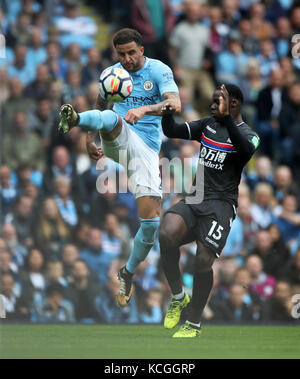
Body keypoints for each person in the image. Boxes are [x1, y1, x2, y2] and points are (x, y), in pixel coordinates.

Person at [58, 28, 181, 307]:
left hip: (147, 151)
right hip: (117, 139)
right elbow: (102, 106)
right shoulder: (112, 74)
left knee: (150, 226)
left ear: (141, 51)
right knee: (113, 120)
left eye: (130, 53)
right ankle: (74, 118)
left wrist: (145, 110)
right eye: (121, 54)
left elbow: (176, 103)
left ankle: (127, 272)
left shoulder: (158, 71)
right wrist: (89, 138)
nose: (125, 59)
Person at [158, 84, 260, 337]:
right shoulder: (207, 125)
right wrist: (168, 111)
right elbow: (170, 130)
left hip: (221, 205)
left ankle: (193, 323)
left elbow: (245, 151)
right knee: (166, 232)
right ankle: (178, 296)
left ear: (233, 104)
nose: (212, 106)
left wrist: (226, 119)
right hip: (196, 197)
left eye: (217, 102)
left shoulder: (249, 134)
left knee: (203, 261)